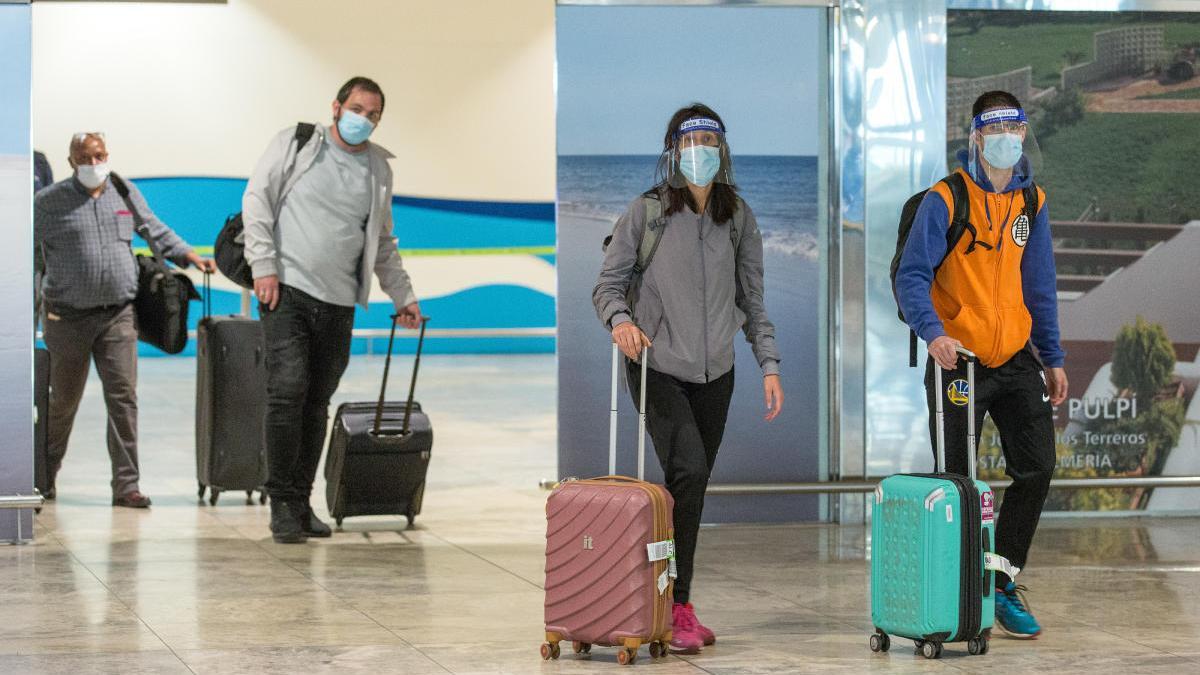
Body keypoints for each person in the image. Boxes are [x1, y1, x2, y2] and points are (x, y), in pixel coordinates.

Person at [593, 104, 784, 654]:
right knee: (690, 471)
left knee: (690, 489)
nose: (699, 150)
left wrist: (768, 365)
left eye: (709, 139)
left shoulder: (739, 216)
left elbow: (753, 300)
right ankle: (671, 604)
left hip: (716, 374)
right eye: (689, 140)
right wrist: (622, 322)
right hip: (656, 368)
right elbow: (607, 286)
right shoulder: (646, 213)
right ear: (673, 150)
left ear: (722, 149)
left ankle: (675, 602)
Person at [895, 90, 1067, 639]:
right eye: (995, 130)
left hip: (1016, 360)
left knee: (1037, 467)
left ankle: (1002, 580)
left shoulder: (1031, 202)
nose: (1006, 140)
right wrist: (934, 335)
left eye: (1015, 129)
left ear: (1023, 135)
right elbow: (911, 276)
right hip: (959, 362)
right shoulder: (946, 199)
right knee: (959, 483)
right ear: (975, 137)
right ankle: (961, 594)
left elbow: (1040, 287)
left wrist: (1053, 358)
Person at [243, 76, 422, 544]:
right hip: (288, 291)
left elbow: (382, 241)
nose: (364, 119)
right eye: (358, 108)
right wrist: (263, 266)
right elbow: (256, 200)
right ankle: (281, 503)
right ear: (337, 106)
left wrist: (403, 295)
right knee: (287, 394)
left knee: (316, 403)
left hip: (340, 302)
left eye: (374, 114)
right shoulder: (298, 143)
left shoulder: (378, 169)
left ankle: (301, 502)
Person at [34, 132, 215, 507]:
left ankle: (126, 485)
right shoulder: (48, 203)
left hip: (118, 314)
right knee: (63, 402)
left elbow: (153, 228)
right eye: (85, 157)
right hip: (66, 317)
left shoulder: (121, 190)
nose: (94, 163)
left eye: (99, 155)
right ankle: (42, 476)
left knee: (124, 399)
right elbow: (26, 249)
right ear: (71, 162)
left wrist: (188, 256)